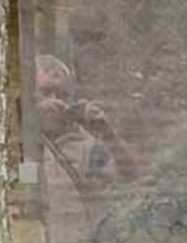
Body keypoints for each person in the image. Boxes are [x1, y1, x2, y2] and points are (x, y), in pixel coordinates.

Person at [35, 54, 137, 188]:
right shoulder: (12, 139)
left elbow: (129, 176)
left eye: (62, 95)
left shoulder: (86, 148)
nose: (56, 100)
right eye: (46, 92)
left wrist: (108, 133)